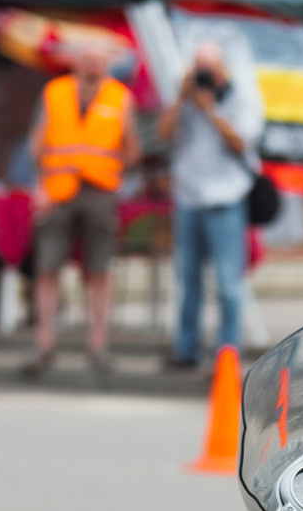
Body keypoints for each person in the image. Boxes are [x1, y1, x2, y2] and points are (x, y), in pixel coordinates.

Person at [23, 40, 140, 380]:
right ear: (74, 62)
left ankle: (98, 344)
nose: (92, 66)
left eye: (98, 60)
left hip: (100, 191)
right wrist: (41, 185)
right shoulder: (55, 92)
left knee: (99, 269)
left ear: (107, 65)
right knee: (48, 267)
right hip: (58, 190)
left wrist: (115, 174)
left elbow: (132, 148)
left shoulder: (120, 97)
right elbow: (36, 142)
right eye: (87, 59)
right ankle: (44, 343)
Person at [157, 39, 265, 369]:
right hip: (188, 198)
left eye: (210, 68)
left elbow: (241, 143)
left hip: (226, 198)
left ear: (222, 69)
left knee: (228, 282)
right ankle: (186, 349)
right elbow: (163, 134)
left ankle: (227, 353)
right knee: (187, 279)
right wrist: (181, 98)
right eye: (199, 67)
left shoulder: (242, 96)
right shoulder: (185, 100)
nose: (204, 74)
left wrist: (210, 109)